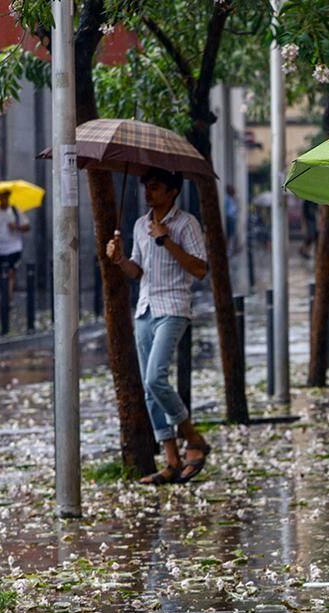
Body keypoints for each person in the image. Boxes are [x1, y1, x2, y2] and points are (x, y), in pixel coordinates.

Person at [105, 168, 213, 486]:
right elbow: (137, 272)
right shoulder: (140, 225)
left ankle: (194, 438)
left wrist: (167, 240)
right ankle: (171, 461)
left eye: (154, 188)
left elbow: (201, 269)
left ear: (172, 191)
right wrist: (119, 258)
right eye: (145, 187)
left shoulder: (186, 224)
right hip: (145, 309)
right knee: (150, 390)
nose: (147, 193)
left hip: (173, 308)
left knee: (156, 377)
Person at [0, 190, 29, 292]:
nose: (3, 199)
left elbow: (27, 227)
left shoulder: (15, 211)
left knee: (10, 273)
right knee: (1, 274)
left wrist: (16, 227)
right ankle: (4, 297)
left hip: (13, 247)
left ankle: (8, 300)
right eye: (1, 197)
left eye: (5, 197)